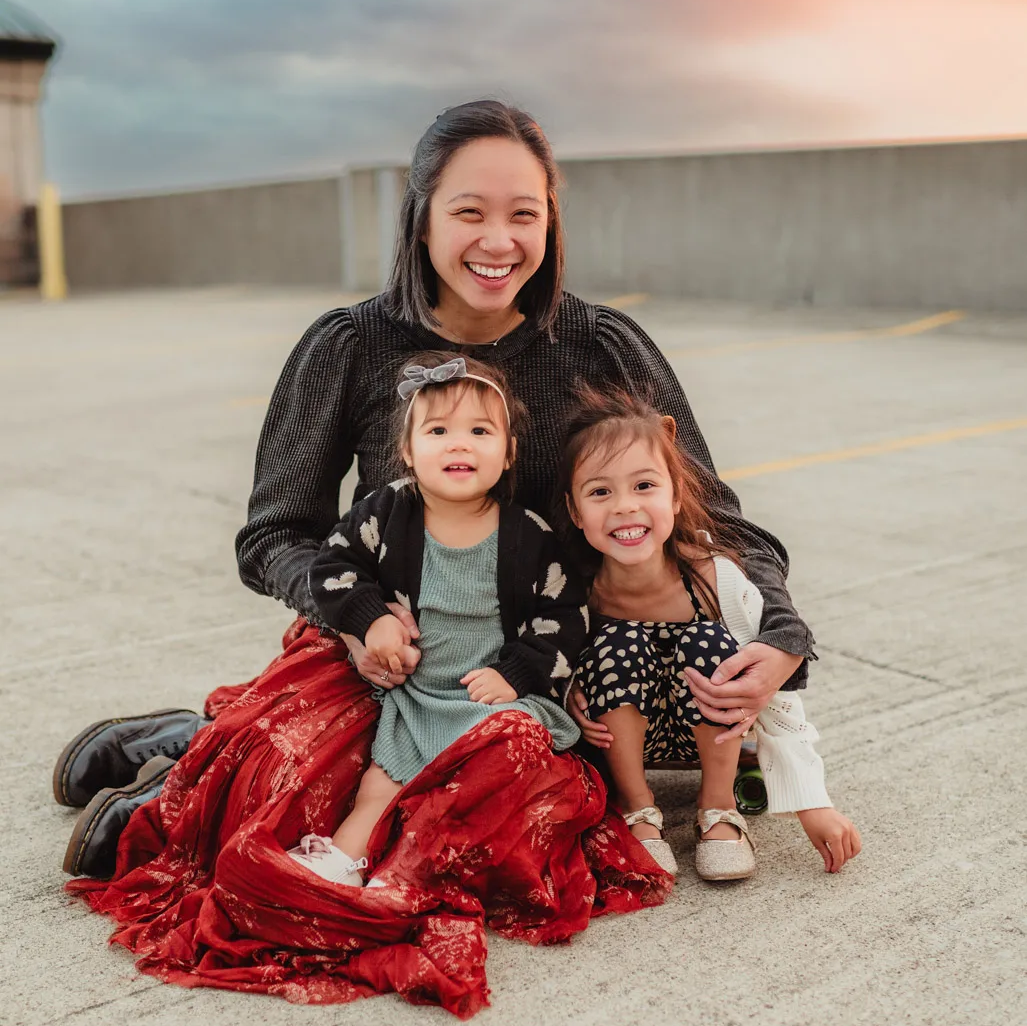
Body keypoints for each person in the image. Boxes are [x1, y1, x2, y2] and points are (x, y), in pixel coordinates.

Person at [56, 98, 814, 893]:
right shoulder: (350, 345)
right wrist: (355, 622)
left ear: (550, 224)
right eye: (468, 212)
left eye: (524, 214)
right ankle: (187, 759)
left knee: (475, 817)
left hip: (545, 663)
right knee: (311, 792)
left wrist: (784, 639)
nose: (499, 241)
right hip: (392, 654)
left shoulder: (600, 346)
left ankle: (205, 738)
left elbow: (719, 524)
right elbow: (273, 536)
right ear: (420, 221)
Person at [288, 351, 585, 887]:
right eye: (438, 430)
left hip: (493, 699)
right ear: (407, 449)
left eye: (479, 430)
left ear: (509, 452)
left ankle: (409, 869)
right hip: (417, 696)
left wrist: (515, 676)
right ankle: (345, 858)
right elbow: (332, 567)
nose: (459, 443)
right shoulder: (388, 513)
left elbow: (563, 618)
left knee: (478, 781)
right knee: (379, 783)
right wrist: (370, 619)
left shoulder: (528, 536)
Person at [561, 386, 861, 882]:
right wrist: (568, 694)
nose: (624, 508)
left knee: (711, 643)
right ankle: (639, 811)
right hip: (619, 740)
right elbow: (545, 658)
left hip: (709, 735)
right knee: (617, 643)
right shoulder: (574, 588)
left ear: (675, 496)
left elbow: (772, 690)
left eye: (644, 487)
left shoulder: (714, 577)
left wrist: (813, 802)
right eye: (599, 492)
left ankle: (719, 811)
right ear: (575, 512)